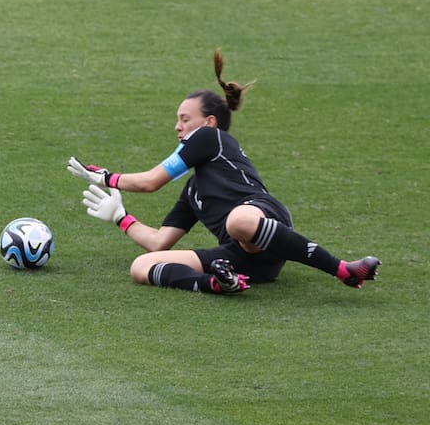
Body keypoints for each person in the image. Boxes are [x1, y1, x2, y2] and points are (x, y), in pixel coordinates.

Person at [67, 50, 380, 294]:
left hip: (264, 219)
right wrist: (121, 217)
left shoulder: (211, 139)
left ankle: (343, 270)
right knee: (142, 266)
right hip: (248, 261)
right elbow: (159, 243)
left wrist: (107, 177)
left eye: (185, 118)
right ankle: (220, 284)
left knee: (238, 221)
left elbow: (151, 182)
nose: (178, 126)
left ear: (209, 122)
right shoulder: (193, 191)